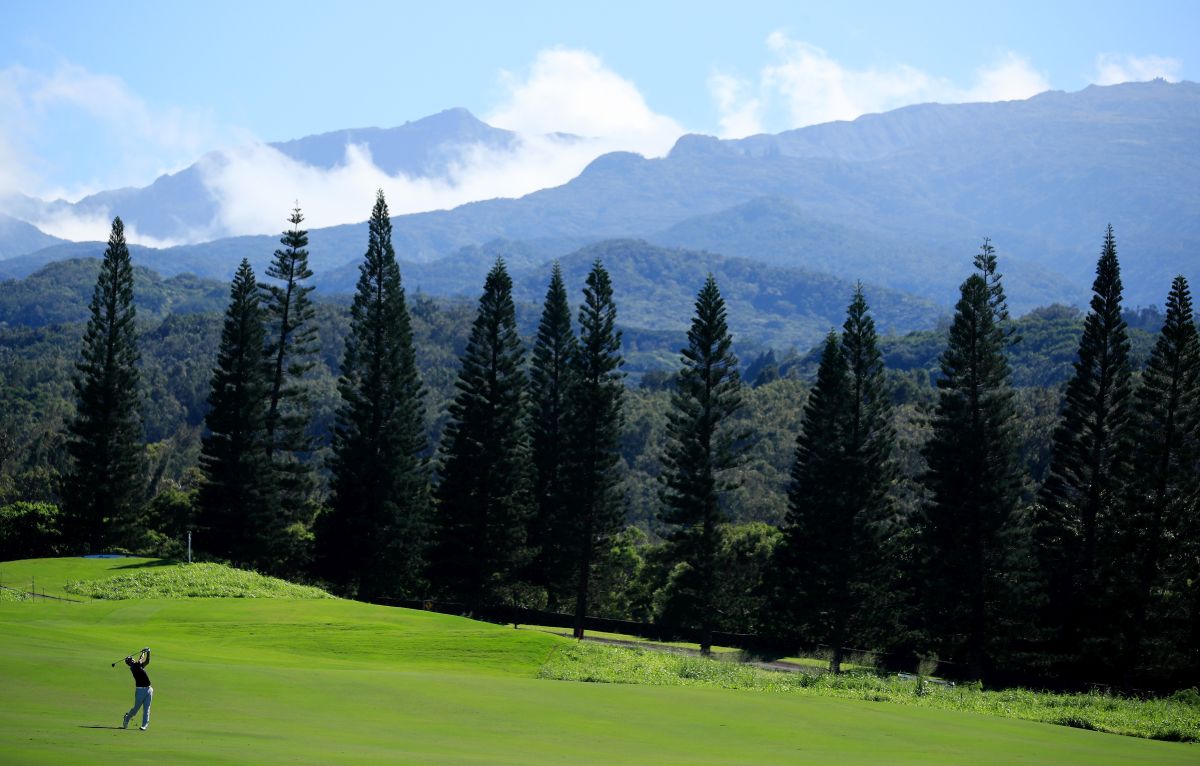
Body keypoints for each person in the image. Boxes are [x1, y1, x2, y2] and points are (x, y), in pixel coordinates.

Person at [121, 648, 153, 731]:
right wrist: (143, 653)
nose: (131, 661)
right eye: (130, 661)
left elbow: (147, 661)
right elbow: (140, 660)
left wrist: (148, 653)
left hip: (149, 689)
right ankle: (127, 717)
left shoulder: (138, 666)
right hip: (140, 691)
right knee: (135, 710)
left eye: (131, 659)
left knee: (147, 708)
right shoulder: (134, 667)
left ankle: (144, 725)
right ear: (129, 664)